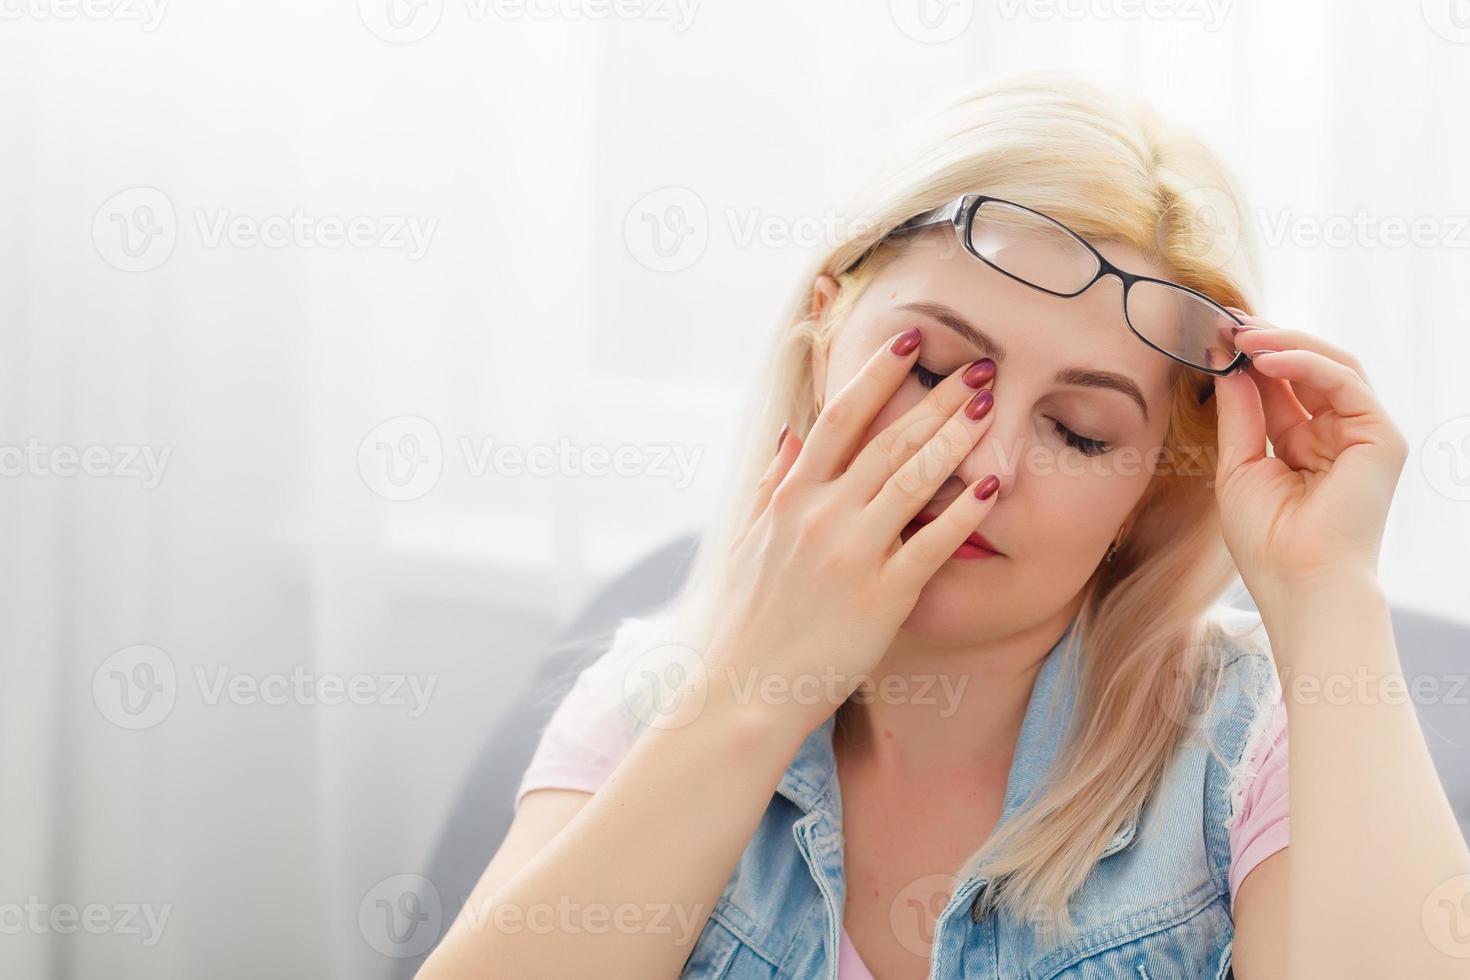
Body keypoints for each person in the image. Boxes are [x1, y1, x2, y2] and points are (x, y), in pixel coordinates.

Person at [418, 71, 1470, 979]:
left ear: (1150, 486)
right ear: (824, 330)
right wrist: (758, 689)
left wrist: (1327, 588)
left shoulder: (1246, 752)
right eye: (931, 369)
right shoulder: (647, 700)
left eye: (1081, 428)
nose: (986, 461)